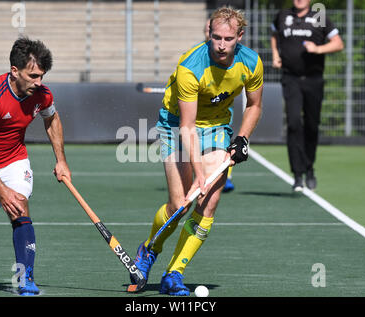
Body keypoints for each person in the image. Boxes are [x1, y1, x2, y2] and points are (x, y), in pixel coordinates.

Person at [133, 6, 263, 296]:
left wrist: (242, 137)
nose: (221, 45)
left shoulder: (251, 63)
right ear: (208, 31)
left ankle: (174, 274)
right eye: (216, 37)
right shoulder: (190, 66)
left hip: (217, 126)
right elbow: (188, 127)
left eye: (228, 39)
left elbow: (254, 105)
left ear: (240, 36)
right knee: (180, 206)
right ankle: (149, 248)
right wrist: (200, 173)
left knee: (209, 203)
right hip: (176, 125)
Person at [0, 37, 71, 296]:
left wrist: (61, 160)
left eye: (42, 76)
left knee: (19, 204)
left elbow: (52, 120)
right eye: (33, 76)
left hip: (13, 159)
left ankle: (25, 279)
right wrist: (1, 189)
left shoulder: (41, 94)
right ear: (14, 71)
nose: (39, 82)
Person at [270, 0, 343, 191]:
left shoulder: (319, 17)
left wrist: (318, 49)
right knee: (294, 124)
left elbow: (338, 43)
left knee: (311, 125)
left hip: (313, 79)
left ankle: (309, 167)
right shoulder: (283, 15)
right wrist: (275, 55)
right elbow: (274, 34)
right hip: (291, 79)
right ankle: (297, 174)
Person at [204, 18, 241, 193]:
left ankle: (227, 176)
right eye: (212, 34)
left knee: (223, 143)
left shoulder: (236, 57)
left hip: (222, 109)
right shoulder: (198, 58)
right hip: (200, 113)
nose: (221, 43)